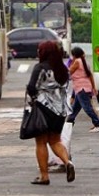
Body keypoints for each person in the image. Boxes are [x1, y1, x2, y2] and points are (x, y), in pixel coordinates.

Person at [26, 40, 74, 185]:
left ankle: (44, 176)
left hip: (43, 109)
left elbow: (31, 88)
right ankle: (68, 162)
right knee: (55, 140)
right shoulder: (63, 69)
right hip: (60, 111)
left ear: (44, 52)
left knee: (40, 142)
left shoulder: (40, 68)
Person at [65, 47, 99, 131]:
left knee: (87, 108)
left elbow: (69, 72)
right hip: (84, 87)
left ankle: (98, 124)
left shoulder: (77, 61)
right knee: (75, 107)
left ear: (74, 55)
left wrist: (68, 64)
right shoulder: (84, 62)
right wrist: (93, 87)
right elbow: (90, 75)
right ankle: (69, 122)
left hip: (81, 88)